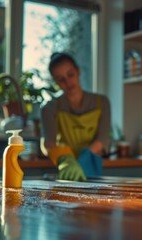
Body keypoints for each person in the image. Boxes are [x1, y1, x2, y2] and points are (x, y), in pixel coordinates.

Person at [41, 52, 111, 181]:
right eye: (61, 79)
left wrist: (81, 161)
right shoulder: (49, 108)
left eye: (70, 74)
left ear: (78, 71)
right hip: (64, 168)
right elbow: (49, 143)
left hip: (92, 166)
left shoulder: (101, 102)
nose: (68, 82)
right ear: (55, 81)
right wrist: (66, 161)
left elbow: (103, 139)